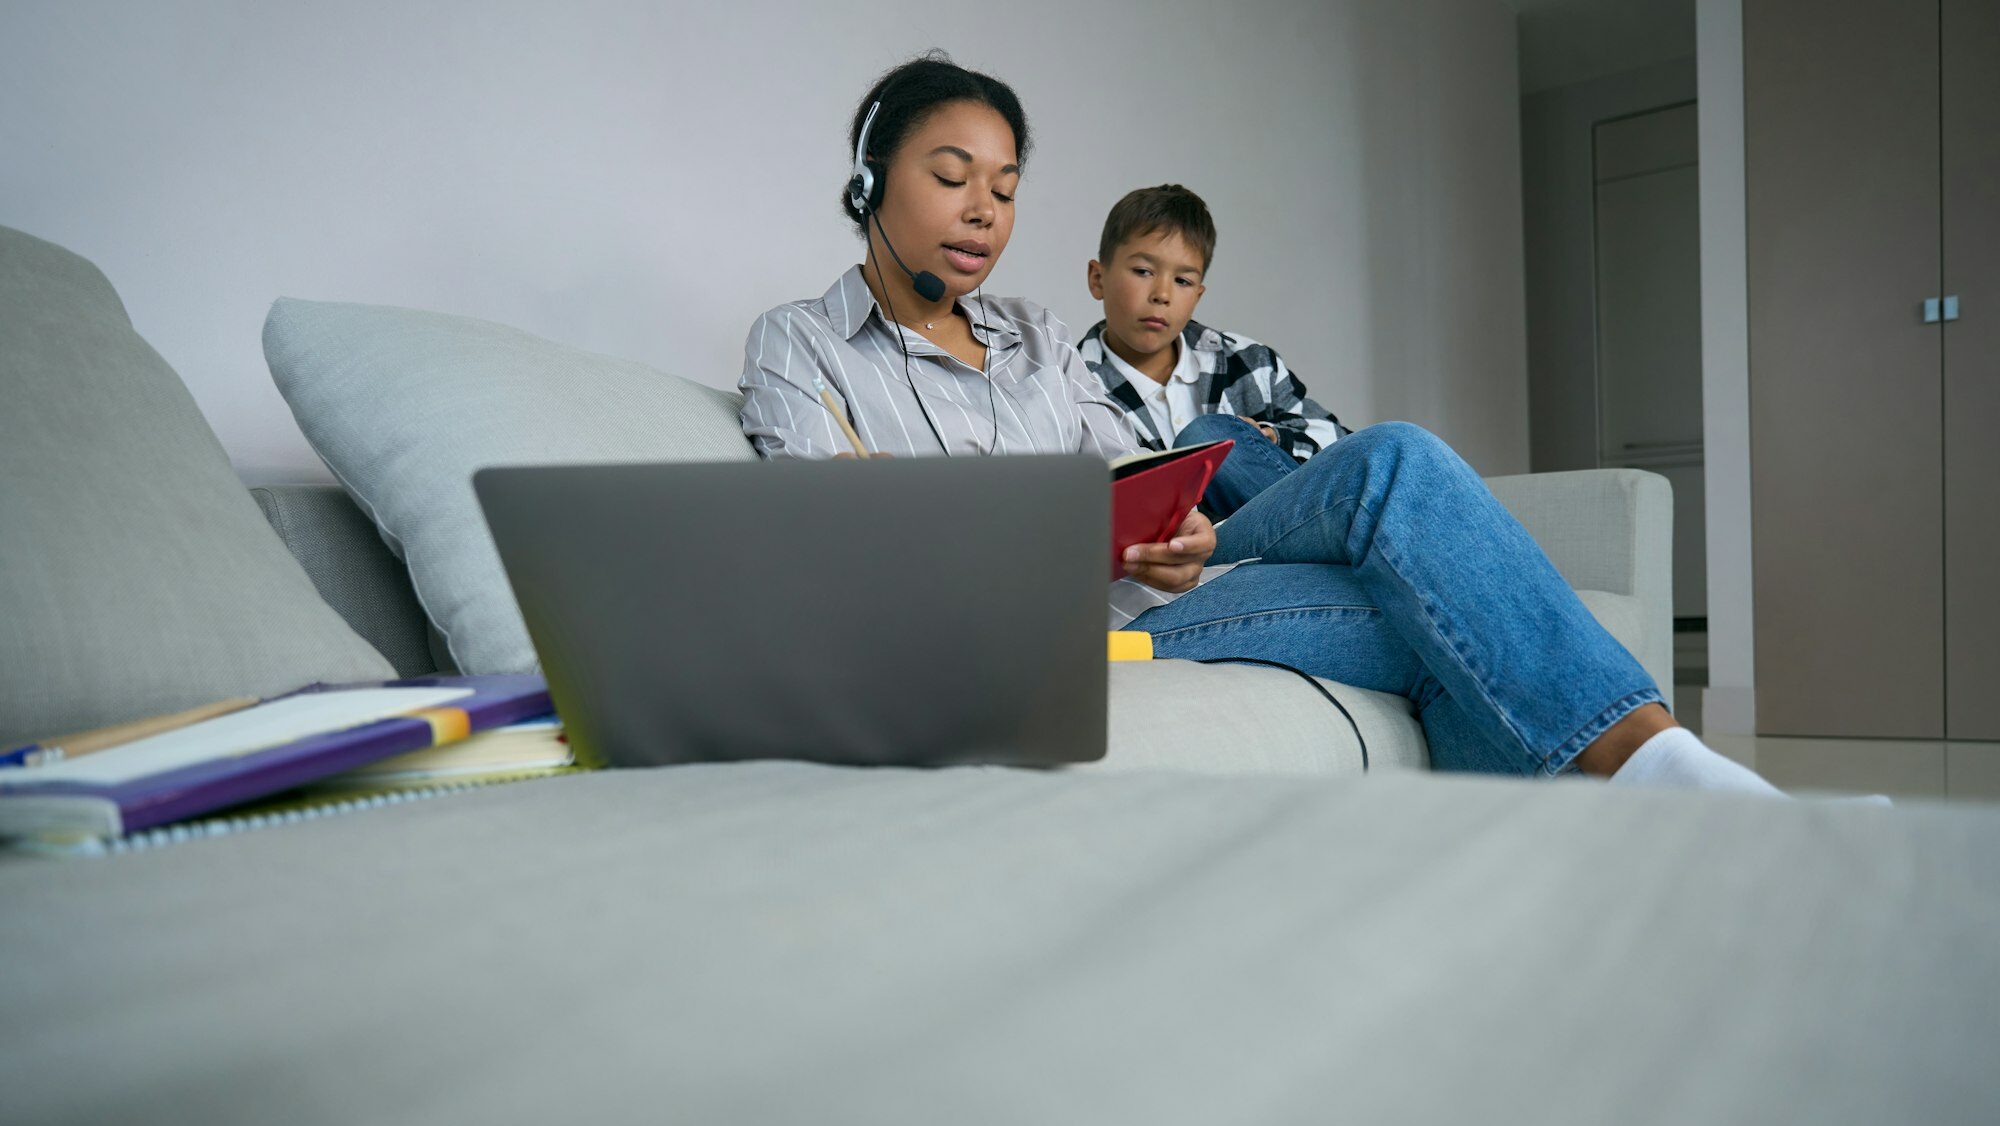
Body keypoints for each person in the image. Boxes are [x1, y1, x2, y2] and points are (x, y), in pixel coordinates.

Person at [737, 51, 1790, 794]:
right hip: (1027, 646)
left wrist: (1171, 534)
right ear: (868, 182)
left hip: (1130, 610)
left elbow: (1108, 480)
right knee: (1420, 602)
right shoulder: (799, 343)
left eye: (1005, 189)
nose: (983, 212)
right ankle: (1661, 782)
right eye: (952, 177)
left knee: (1396, 473)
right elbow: (837, 549)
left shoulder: (1029, 334)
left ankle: (1649, 777)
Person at [1079, 184, 1344, 521]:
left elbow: (1339, 445)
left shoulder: (1248, 362)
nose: (1162, 294)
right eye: (1143, 272)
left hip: (1289, 551)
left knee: (1396, 441)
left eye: (1183, 281)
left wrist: (1268, 438)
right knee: (1206, 439)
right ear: (1098, 278)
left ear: (1198, 295)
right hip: (1200, 564)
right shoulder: (1074, 390)